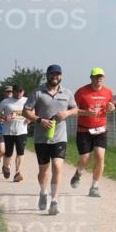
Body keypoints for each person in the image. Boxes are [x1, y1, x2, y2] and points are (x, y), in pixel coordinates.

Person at [23, 65, 78, 215]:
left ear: (61, 76)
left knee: (58, 167)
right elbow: (25, 111)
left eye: (58, 74)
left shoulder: (67, 93)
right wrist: (40, 120)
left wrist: (67, 113)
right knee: (43, 171)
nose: (55, 76)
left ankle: (54, 201)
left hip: (60, 137)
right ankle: (43, 192)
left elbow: (75, 109)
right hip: (41, 138)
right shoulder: (37, 92)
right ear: (47, 75)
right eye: (52, 74)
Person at [71, 68, 116, 198]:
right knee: (85, 158)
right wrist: (86, 113)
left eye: (101, 76)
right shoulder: (81, 92)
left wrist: (111, 108)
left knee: (100, 156)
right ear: (91, 78)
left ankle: (94, 187)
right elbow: (72, 110)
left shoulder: (108, 92)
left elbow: (111, 106)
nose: (99, 79)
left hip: (100, 129)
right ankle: (78, 173)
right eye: (96, 76)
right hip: (84, 129)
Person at [0, 86, 29, 182]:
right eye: (17, 91)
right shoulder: (6, 101)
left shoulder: (27, 101)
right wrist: (4, 116)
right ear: (13, 92)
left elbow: (33, 111)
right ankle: (5, 167)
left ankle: (17, 173)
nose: (19, 93)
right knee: (8, 153)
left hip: (22, 131)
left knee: (20, 152)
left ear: (23, 91)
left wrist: (29, 119)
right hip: (8, 131)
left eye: (20, 91)